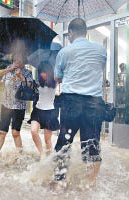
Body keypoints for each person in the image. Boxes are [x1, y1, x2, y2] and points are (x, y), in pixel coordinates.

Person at [53, 18, 107, 187]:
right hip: (94, 104)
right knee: (92, 145)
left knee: (64, 144)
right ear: (86, 31)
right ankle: (91, 186)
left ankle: (60, 184)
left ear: (70, 33)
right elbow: (98, 68)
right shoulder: (101, 50)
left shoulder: (65, 51)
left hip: (71, 103)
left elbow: (57, 77)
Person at [0, 53, 33, 153]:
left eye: (19, 60)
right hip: (6, 104)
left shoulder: (28, 73)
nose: (16, 62)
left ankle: (20, 157)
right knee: (1, 132)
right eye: (15, 60)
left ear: (23, 61)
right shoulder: (8, 69)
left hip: (19, 107)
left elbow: (29, 86)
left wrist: (20, 76)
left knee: (15, 133)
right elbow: (2, 82)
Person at [28, 61, 59, 158]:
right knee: (33, 131)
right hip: (38, 110)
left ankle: (49, 159)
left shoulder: (55, 82)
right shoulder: (38, 83)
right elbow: (28, 84)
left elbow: (63, 77)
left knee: (47, 140)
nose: (43, 74)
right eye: (41, 72)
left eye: (45, 72)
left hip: (50, 112)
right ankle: (41, 154)